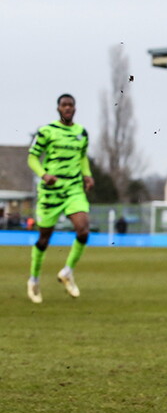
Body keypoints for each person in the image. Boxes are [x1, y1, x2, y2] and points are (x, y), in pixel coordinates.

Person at [26, 93, 95, 303]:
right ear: (58, 108)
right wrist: (43, 175)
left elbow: (82, 157)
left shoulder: (81, 133)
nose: (67, 108)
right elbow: (32, 157)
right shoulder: (47, 131)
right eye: (64, 105)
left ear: (75, 108)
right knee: (44, 238)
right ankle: (34, 279)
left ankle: (67, 272)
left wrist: (87, 175)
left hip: (73, 189)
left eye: (71, 105)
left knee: (83, 230)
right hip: (51, 192)